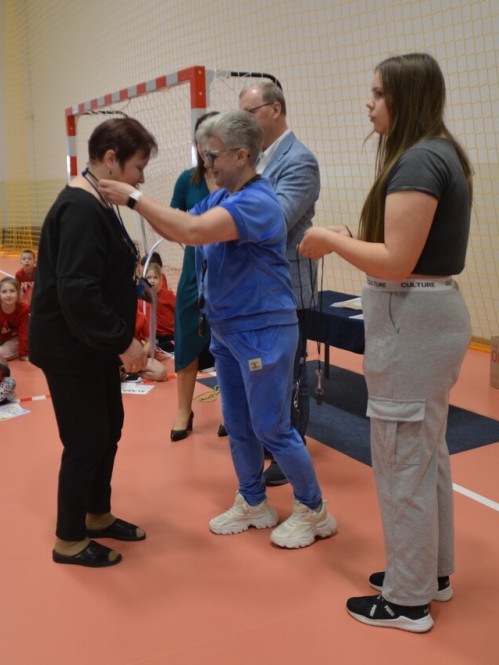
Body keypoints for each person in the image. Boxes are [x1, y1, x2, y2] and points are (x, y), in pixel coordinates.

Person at [99, 110, 337, 550]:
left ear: (241, 156)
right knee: (239, 423)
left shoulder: (257, 203)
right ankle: (253, 500)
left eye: (212, 155)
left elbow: (191, 231)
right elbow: (178, 226)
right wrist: (134, 203)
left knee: (272, 427)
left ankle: (314, 509)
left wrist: (132, 197)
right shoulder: (224, 197)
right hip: (227, 330)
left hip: (263, 329)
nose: (207, 163)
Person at [298, 53, 473, 633]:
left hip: (412, 325)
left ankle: (407, 600)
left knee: (403, 462)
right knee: (424, 456)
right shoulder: (437, 152)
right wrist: (351, 237)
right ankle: (429, 573)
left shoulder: (419, 159)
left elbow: (396, 262)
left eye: (377, 93)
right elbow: (407, 248)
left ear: (405, 97)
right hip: (425, 320)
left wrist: (330, 241)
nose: (368, 104)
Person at [29, 117, 155, 568]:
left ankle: (96, 513)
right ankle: (69, 538)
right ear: (110, 160)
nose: (141, 178)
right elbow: (77, 292)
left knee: (109, 429)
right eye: (138, 167)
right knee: (85, 440)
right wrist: (124, 343)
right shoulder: (80, 209)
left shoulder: (99, 202)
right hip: (70, 348)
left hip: (92, 346)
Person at [239, 80, 321, 486]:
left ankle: (290, 448)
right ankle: (269, 438)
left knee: (291, 372)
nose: (243, 122)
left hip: (289, 288)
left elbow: (275, 221)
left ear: (275, 109)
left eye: (248, 113)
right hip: (257, 287)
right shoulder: (256, 159)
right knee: (263, 369)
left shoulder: (299, 160)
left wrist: (230, 218)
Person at [168, 111, 218, 441]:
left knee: (230, 344)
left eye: (212, 140)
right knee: (187, 338)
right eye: (201, 141)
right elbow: (174, 220)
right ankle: (184, 410)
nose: (206, 148)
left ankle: (233, 410)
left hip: (229, 274)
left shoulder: (237, 179)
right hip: (192, 272)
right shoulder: (188, 180)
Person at [0, 277, 29, 362]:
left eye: (12, 291)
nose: (8, 295)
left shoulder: (23, 309)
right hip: (1, 337)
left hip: (16, 338)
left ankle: (28, 347)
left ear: (18, 292)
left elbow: (23, 332)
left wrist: (23, 353)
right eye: (4, 292)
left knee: (0, 354)